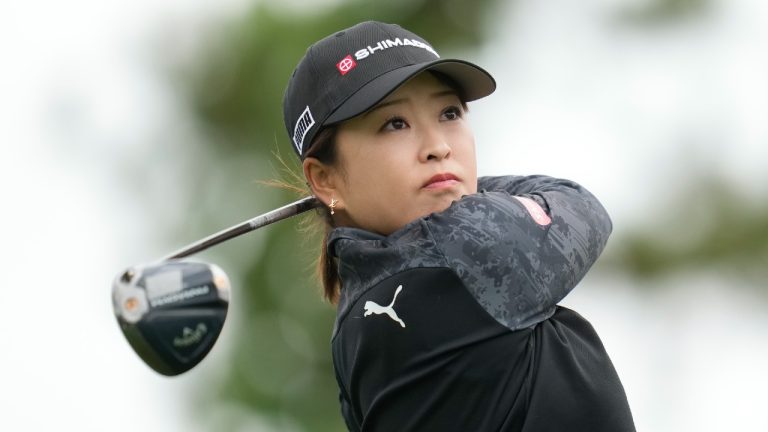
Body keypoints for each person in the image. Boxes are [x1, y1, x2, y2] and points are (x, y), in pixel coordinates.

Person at [281, 21, 635, 431]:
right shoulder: (459, 259)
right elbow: (580, 205)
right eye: (394, 123)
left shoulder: (351, 330)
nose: (439, 147)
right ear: (325, 180)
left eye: (449, 113)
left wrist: (450, 189)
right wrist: (459, 190)